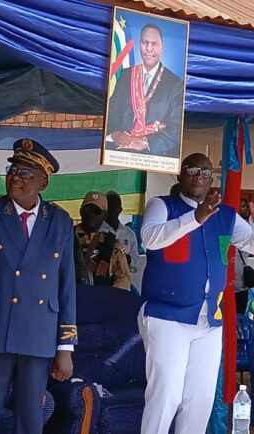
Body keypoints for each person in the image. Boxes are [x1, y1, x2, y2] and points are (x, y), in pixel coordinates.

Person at [138, 152, 254, 434]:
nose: (199, 176)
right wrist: (195, 218)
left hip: (209, 319)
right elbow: (150, 238)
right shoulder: (162, 205)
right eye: (192, 170)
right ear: (180, 175)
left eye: (205, 172)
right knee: (166, 394)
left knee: (199, 399)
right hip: (168, 316)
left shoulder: (225, 214)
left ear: (212, 179)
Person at [0, 138, 76, 433]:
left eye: (25, 173)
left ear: (43, 182)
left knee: (31, 418)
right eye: (12, 170)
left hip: (38, 333)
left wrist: (66, 346)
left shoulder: (60, 222)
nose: (15, 178)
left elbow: (66, 286)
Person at [106, 23, 183, 158]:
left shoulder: (176, 84)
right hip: (119, 153)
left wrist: (145, 143)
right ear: (139, 44)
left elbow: (175, 131)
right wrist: (116, 133)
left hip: (155, 156)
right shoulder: (126, 75)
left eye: (154, 44)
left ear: (162, 47)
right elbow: (112, 112)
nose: (148, 48)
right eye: (145, 43)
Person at [74, 191, 130, 290]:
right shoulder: (67, 237)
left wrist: (110, 295)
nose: (92, 215)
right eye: (88, 210)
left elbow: (123, 276)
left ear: (105, 215)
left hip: (102, 296)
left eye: (97, 212)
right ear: (81, 211)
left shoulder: (112, 242)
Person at [103, 191, 141, 274]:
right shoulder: (98, 230)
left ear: (120, 210)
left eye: (114, 206)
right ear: (104, 209)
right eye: (109, 205)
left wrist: (126, 259)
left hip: (122, 277)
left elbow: (136, 265)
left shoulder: (129, 234)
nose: (111, 209)